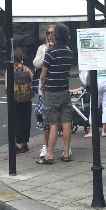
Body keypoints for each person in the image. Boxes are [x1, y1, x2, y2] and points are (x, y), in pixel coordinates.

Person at [37, 23, 74, 165]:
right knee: (66, 122)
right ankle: (66, 153)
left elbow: (43, 75)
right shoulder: (69, 53)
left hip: (52, 91)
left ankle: (49, 155)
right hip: (64, 89)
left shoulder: (50, 53)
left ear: (56, 36)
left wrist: (44, 86)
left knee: (53, 123)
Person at [84, 35, 106, 138]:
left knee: (93, 106)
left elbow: (89, 71)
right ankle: (103, 130)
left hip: (97, 81)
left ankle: (91, 131)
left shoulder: (94, 54)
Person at [5, 47, 34, 153]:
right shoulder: (27, 69)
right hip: (27, 99)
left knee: (17, 121)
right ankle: (25, 143)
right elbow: (32, 80)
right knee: (26, 121)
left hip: (15, 100)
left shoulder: (10, 70)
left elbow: (7, 86)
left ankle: (20, 144)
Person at [33, 25, 54, 158]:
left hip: (58, 87)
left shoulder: (63, 48)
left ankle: (66, 148)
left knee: (61, 121)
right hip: (44, 89)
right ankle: (45, 147)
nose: (50, 36)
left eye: (52, 33)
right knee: (44, 120)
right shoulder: (42, 48)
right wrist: (46, 52)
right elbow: (36, 63)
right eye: (48, 33)